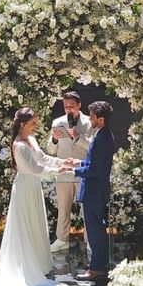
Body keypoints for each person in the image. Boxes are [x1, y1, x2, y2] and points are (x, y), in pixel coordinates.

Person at [0, 107, 80, 286]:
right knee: (26, 224)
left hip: (34, 186)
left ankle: (38, 264)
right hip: (24, 187)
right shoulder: (19, 145)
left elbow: (43, 159)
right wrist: (58, 171)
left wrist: (63, 162)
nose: (36, 126)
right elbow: (34, 168)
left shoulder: (31, 140)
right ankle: (25, 266)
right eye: (32, 123)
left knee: (36, 222)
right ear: (23, 124)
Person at [60, 101, 115, 280]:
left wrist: (73, 171)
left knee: (95, 231)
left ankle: (96, 268)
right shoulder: (104, 135)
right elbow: (94, 162)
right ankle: (98, 264)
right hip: (96, 191)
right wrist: (79, 162)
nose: (89, 119)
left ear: (101, 119)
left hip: (94, 192)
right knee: (97, 229)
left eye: (92, 116)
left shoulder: (101, 138)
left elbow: (93, 170)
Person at [47, 91, 94, 253]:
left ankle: (90, 240)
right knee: (63, 208)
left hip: (83, 172)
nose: (69, 109)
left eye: (72, 106)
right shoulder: (58, 122)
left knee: (87, 209)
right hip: (64, 173)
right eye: (66, 106)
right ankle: (62, 239)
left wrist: (79, 137)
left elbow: (93, 148)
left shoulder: (89, 123)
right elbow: (50, 150)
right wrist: (54, 139)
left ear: (79, 105)